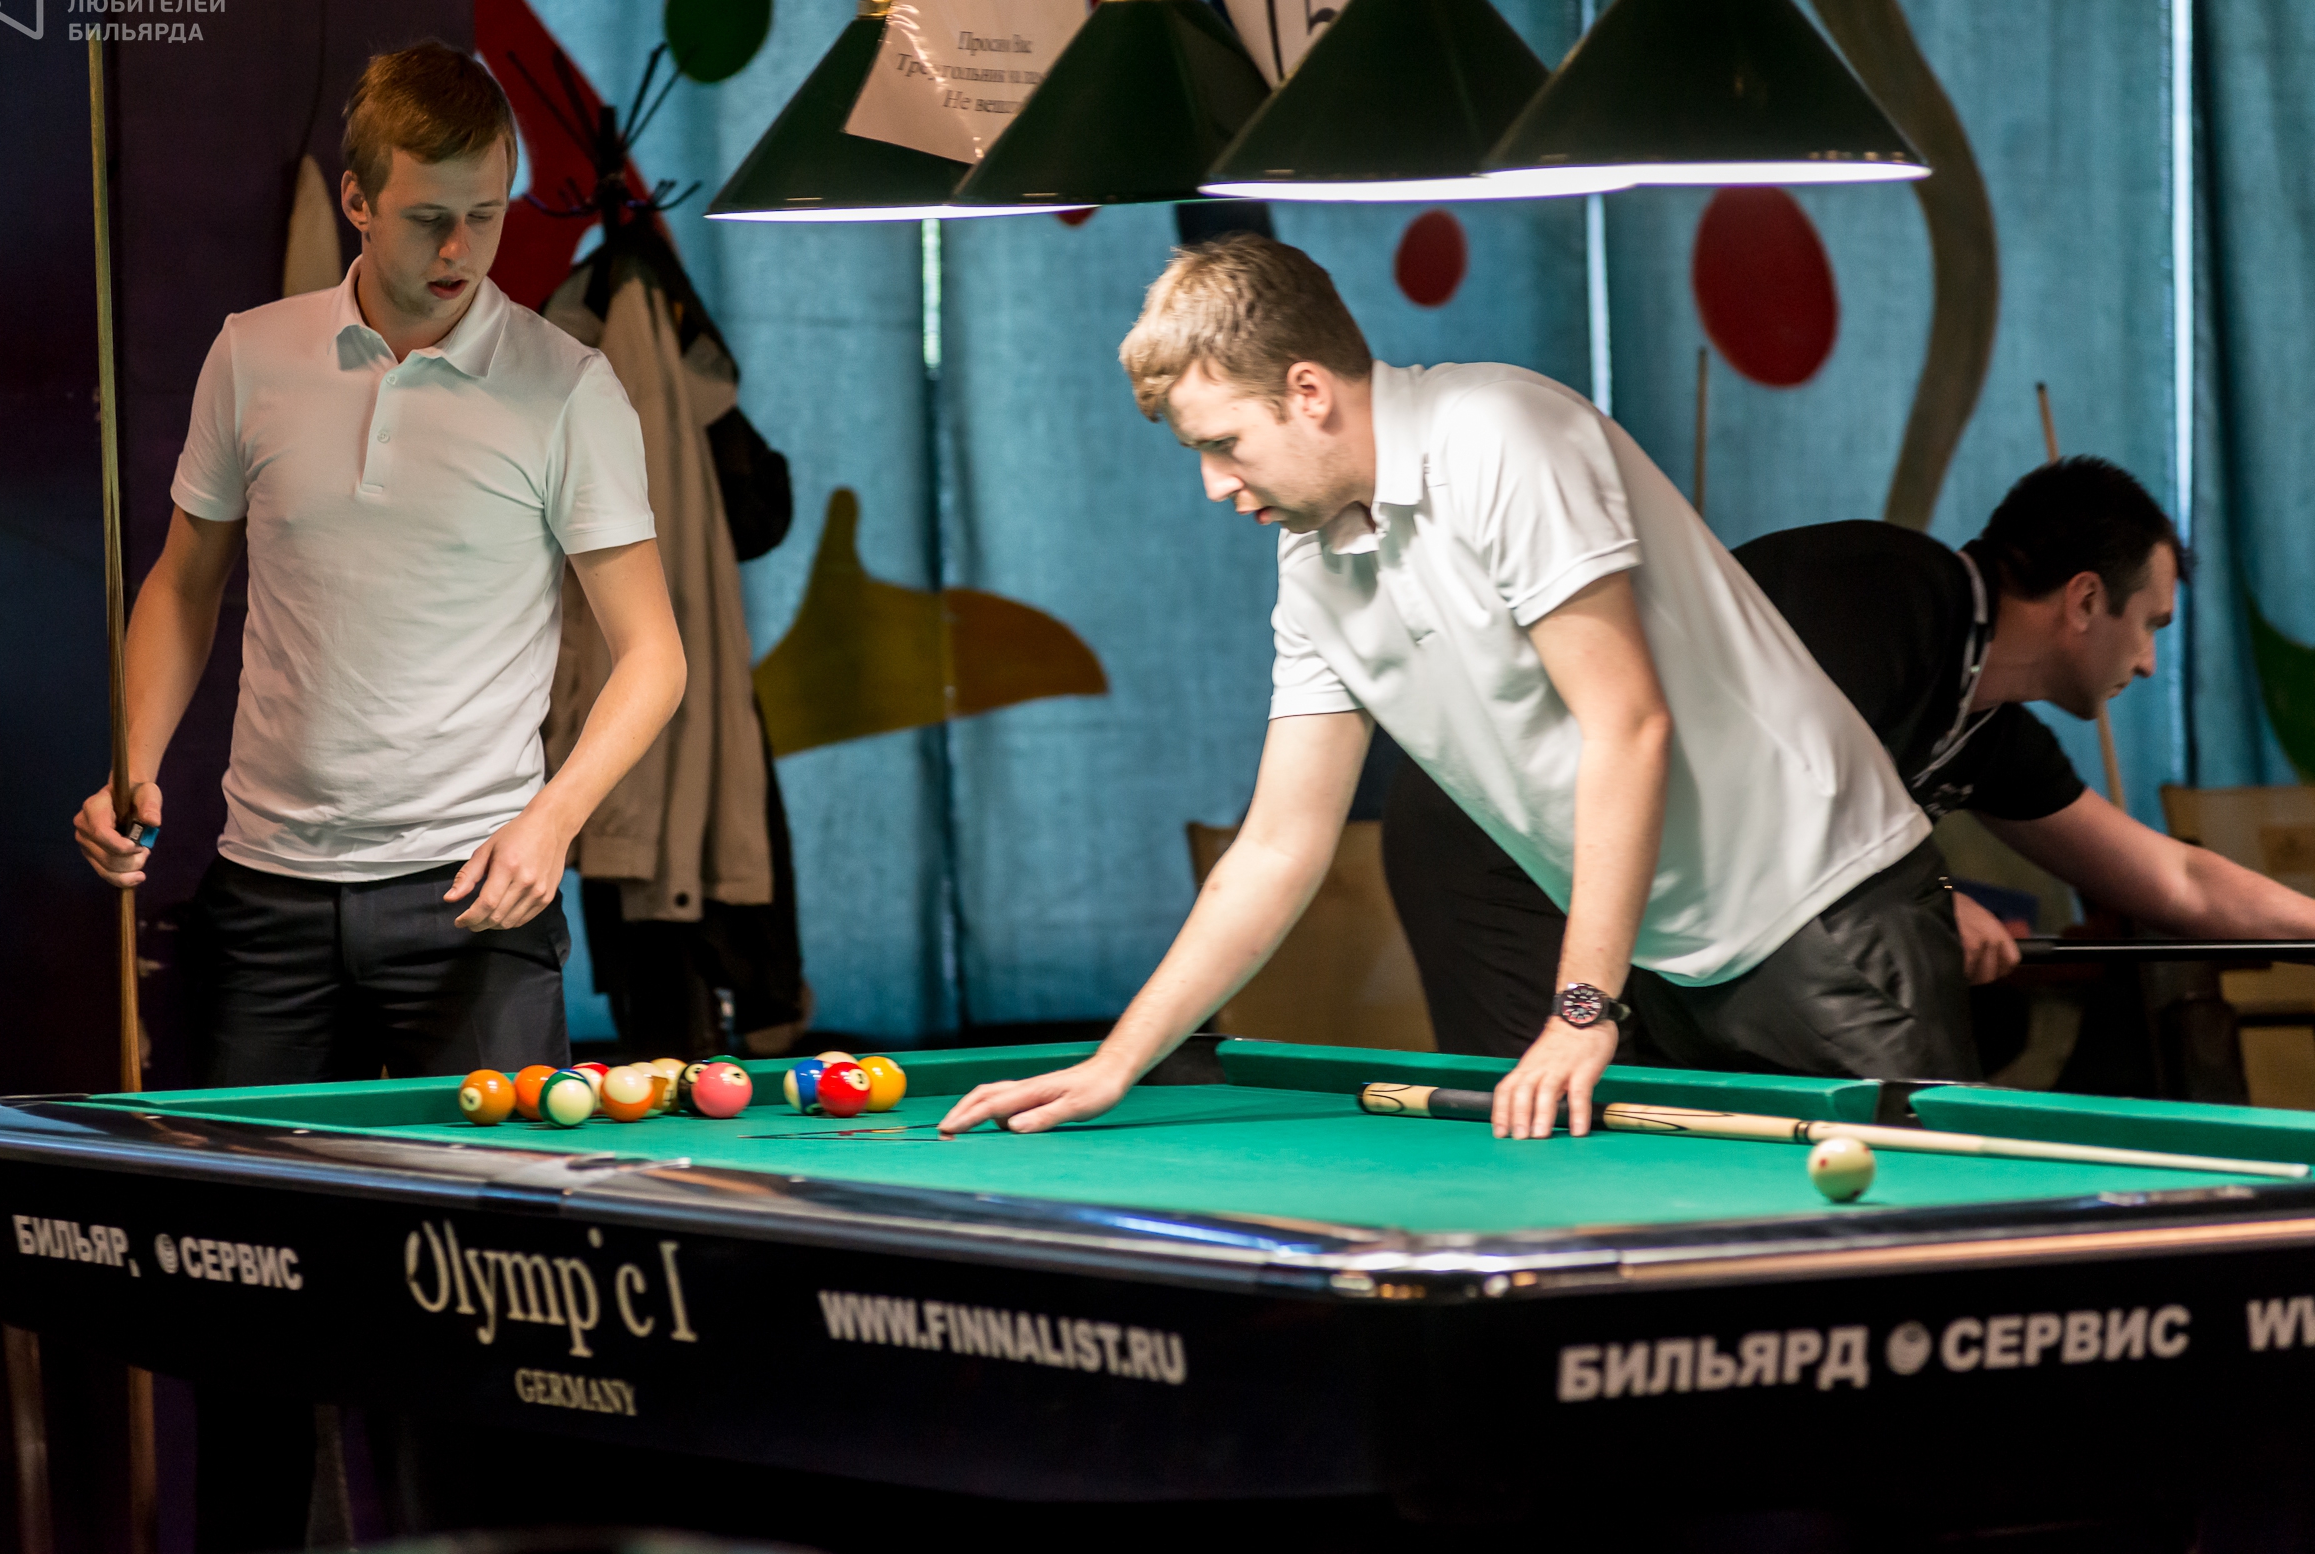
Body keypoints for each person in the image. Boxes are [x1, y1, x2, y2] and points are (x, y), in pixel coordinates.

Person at [67, 43, 685, 1550]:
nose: (465, 250)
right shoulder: (253, 354)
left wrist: (552, 820)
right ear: (357, 200)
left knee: (498, 1325)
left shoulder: (569, 388)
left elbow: (654, 654)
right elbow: (186, 580)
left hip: (473, 909)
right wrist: (135, 754)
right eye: (430, 218)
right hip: (266, 904)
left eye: (488, 214)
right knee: (244, 1319)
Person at [941, 234, 1946, 1145]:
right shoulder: (1314, 562)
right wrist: (1118, 1062)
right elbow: (1281, 843)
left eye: (1222, 444)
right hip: (1667, 962)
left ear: (1307, 391)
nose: (1214, 483)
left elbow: (1629, 726)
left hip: (1825, 921)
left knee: (1919, 1258)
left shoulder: (1502, 436)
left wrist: (1581, 1009)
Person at [1384, 455, 2315, 1058]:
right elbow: (1771, 782)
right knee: (1568, 1119)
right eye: (2150, 625)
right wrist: (1930, 895)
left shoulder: (1986, 726)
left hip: (1645, 883)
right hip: (1505, 838)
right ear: (2082, 601)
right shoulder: (1882, 590)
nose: (2148, 663)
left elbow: (2178, 879)